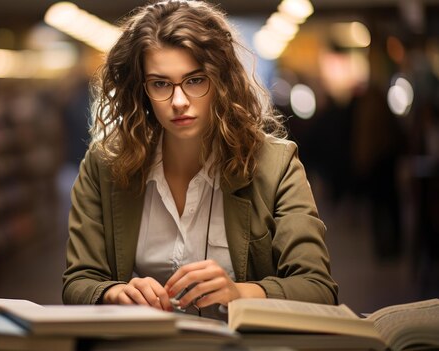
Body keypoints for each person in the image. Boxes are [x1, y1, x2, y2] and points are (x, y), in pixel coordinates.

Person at [62, 0, 338, 320]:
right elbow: (77, 282)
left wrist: (240, 292)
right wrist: (113, 293)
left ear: (221, 83)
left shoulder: (275, 166)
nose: (179, 101)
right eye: (161, 84)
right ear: (142, 91)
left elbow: (318, 288)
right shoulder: (104, 166)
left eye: (195, 80)